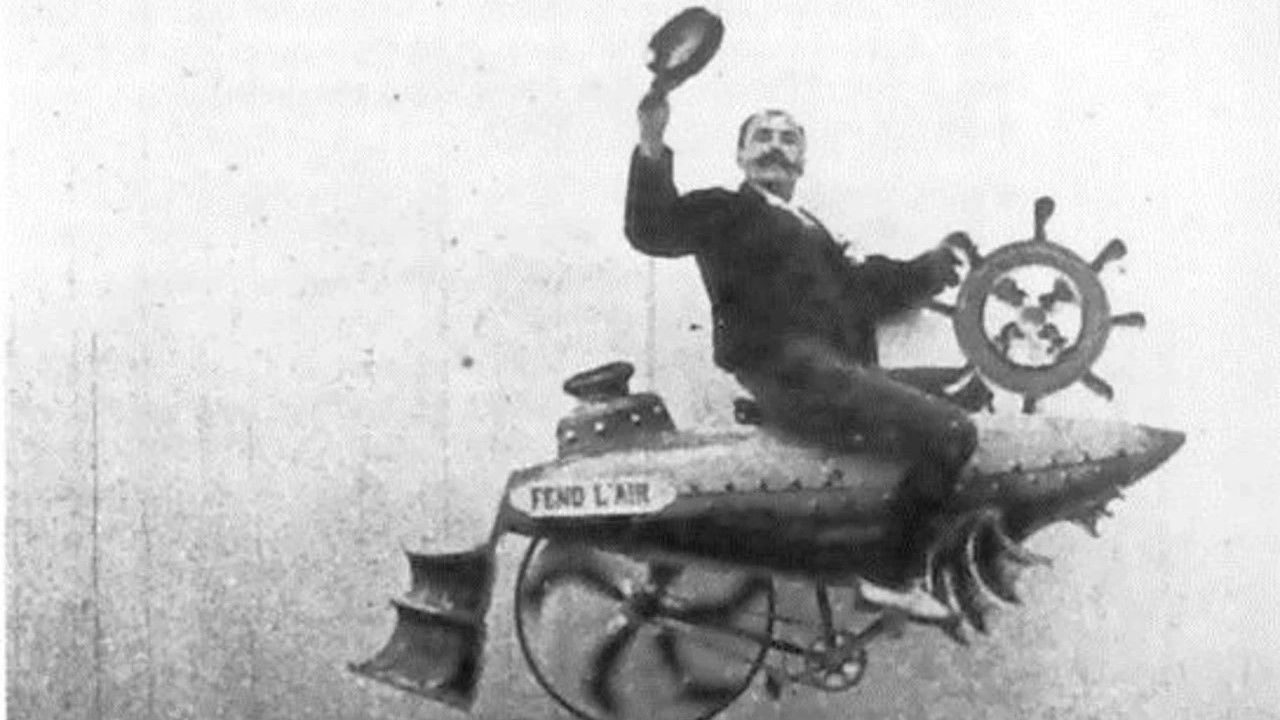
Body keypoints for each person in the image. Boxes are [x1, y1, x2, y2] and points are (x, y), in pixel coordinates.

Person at [624, 91, 977, 622]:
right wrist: (652, 144)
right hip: (790, 377)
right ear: (740, 156)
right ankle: (888, 573)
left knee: (966, 387)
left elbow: (866, 287)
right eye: (762, 137)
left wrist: (933, 266)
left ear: (802, 161)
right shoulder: (726, 211)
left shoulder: (813, 229)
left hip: (833, 376)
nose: (775, 147)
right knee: (953, 433)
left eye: (788, 139)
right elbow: (652, 228)